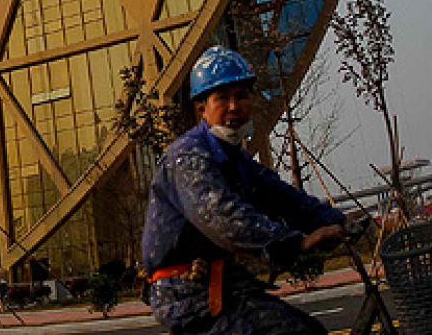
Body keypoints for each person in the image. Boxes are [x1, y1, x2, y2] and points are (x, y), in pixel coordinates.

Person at [142, 47, 347, 334]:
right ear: (202, 107)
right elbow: (224, 219)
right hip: (186, 293)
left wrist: (340, 221)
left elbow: (284, 198)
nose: (234, 107)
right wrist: (294, 243)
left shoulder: (235, 159)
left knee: (307, 328)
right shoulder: (189, 157)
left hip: (223, 284)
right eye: (222, 98)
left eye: (241, 95)